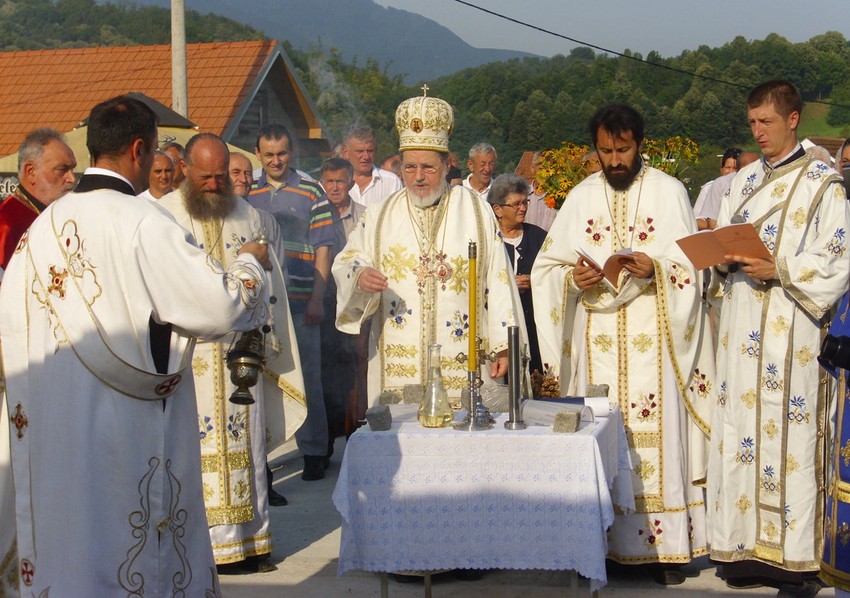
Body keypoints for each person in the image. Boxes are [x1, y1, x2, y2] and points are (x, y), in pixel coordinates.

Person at [0, 94, 272, 595]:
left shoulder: (40, 230)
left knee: (72, 548)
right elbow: (220, 309)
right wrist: (250, 264)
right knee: (130, 551)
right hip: (124, 429)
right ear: (140, 150)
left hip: (54, 429)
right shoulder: (144, 223)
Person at [532, 103, 713, 585]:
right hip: (598, 343)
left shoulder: (670, 192)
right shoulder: (580, 195)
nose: (614, 159)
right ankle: (604, 547)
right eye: (606, 150)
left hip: (655, 337)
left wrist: (656, 267)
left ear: (640, 145)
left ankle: (664, 552)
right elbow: (547, 268)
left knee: (656, 437)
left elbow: (693, 266)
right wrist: (575, 277)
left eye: (623, 150)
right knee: (601, 431)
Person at [706, 80, 850, 598]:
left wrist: (780, 267)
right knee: (741, 428)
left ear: (793, 120)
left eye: (766, 123)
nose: (757, 133)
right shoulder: (740, 183)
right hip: (743, 327)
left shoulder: (823, 185)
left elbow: (838, 260)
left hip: (793, 335)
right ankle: (742, 551)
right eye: (751, 124)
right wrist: (719, 259)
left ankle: (795, 558)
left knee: (792, 436)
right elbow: (722, 240)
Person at [158, 133, 306, 574]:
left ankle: (252, 542)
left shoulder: (249, 216)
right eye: (205, 176)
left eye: (222, 175)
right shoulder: (164, 218)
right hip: (190, 362)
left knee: (247, 453)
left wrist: (267, 340)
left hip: (243, 359)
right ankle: (208, 550)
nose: (215, 183)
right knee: (196, 454)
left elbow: (272, 286)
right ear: (185, 169)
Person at [333, 91, 520, 407]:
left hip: (464, 360)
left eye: (428, 168)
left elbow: (498, 279)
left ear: (447, 165)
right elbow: (347, 260)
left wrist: (502, 344)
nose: (418, 177)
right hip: (398, 361)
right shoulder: (379, 214)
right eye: (409, 167)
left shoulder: (476, 211)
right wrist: (360, 276)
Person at [249, 123, 335, 481]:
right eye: (268, 154)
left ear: (292, 152)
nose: (276, 160)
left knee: (309, 378)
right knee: (264, 383)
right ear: (258, 154)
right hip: (259, 304)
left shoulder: (312, 190)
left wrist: (318, 297)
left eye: (282, 153)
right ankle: (262, 461)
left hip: (302, 301)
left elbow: (324, 246)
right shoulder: (247, 190)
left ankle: (314, 451)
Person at [318, 157, 366, 441]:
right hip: (323, 301)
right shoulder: (315, 213)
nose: (334, 187)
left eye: (340, 181)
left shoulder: (366, 216)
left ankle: (353, 431)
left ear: (350, 182)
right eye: (329, 182)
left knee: (353, 366)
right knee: (325, 367)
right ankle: (326, 436)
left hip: (354, 303)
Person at [488, 173, 547, 375]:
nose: (523, 208)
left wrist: (537, 281)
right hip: (499, 330)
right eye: (516, 204)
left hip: (534, 327)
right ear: (497, 209)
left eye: (525, 202)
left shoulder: (539, 237)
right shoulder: (488, 240)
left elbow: (553, 273)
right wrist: (507, 284)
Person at [0, 128, 76, 269]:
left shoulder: (57, 212)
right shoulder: (6, 224)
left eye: (72, 169)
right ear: (31, 172)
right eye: (62, 169)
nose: (72, 179)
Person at [694, 151, 761, 231]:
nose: (731, 171)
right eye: (728, 167)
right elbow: (710, 223)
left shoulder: (762, 183)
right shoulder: (718, 185)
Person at [341, 125, 402, 208]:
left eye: (370, 151)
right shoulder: (334, 183)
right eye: (360, 151)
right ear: (345, 153)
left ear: (376, 151)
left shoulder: (391, 182)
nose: (366, 156)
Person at [693, 148, 741, 230]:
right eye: (728, 167)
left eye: (735, 168)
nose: (731, 172)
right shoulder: (709, 188)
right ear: (721, 169)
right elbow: (697, 220)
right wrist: (716, 224)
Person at [524, 150, 557, 231]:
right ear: (532, 169)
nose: (544, 174)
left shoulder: (558, 197)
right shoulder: (523, 195)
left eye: (548, 170)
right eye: (541, 169)